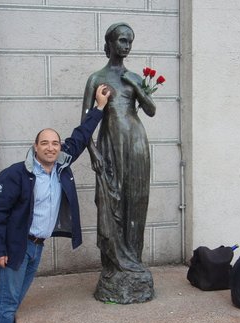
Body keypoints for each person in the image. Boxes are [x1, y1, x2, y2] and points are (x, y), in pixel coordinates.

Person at [0, 85, 110, 323]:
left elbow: (80, 136)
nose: (51, 147)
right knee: (9, 303)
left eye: (55, 143)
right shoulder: (16, 174)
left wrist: (98, 108)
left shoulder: (61, 165)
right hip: (16, 246)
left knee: (8, 301)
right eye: (45, 143)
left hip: (37, 245)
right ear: (35, 147)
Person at [81, 22, 155, 303]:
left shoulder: (134, 77)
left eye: (130, 42)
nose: (126, 46)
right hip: (110, 146)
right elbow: (86, 123)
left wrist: (139, 86)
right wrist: (94, 153)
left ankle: (134, 261)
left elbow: (150, 110)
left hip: (136, 145)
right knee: (111, 204)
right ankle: (114, 266)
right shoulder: (96, 79)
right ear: (109, 43)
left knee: (136, 201)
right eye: (122, 41)